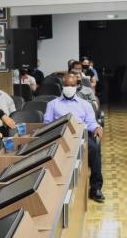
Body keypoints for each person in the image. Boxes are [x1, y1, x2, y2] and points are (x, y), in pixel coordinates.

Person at [43, 73, 105, 202]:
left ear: (77, 86)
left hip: (81, 135)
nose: (69, 88)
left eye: (72, 85)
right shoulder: (53, 104)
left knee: (94, 149)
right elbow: (47, 124)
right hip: (60, 137)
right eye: (66, 85)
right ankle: (53, 189)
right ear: (62, 87)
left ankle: (96, 188)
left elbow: (91, 123)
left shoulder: (85, 104)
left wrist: (97, 128)